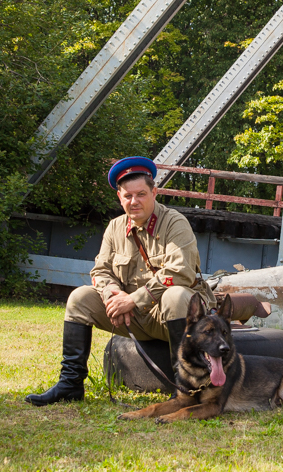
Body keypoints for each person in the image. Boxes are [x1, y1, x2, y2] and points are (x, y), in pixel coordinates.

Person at [25, 156, 213, 406]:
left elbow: (181, 272)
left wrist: (133, 300)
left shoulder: (174, 223)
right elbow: (101, 271)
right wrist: (112, 296)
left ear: (154, 192)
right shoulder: (115, 228)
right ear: (119, 197)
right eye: (127, 196)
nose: (134, 202)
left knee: (176, 295)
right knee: (80, 298)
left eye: (141, 194)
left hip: (169, 314)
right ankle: (70, 384)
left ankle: (185, 389)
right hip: (132, 317)